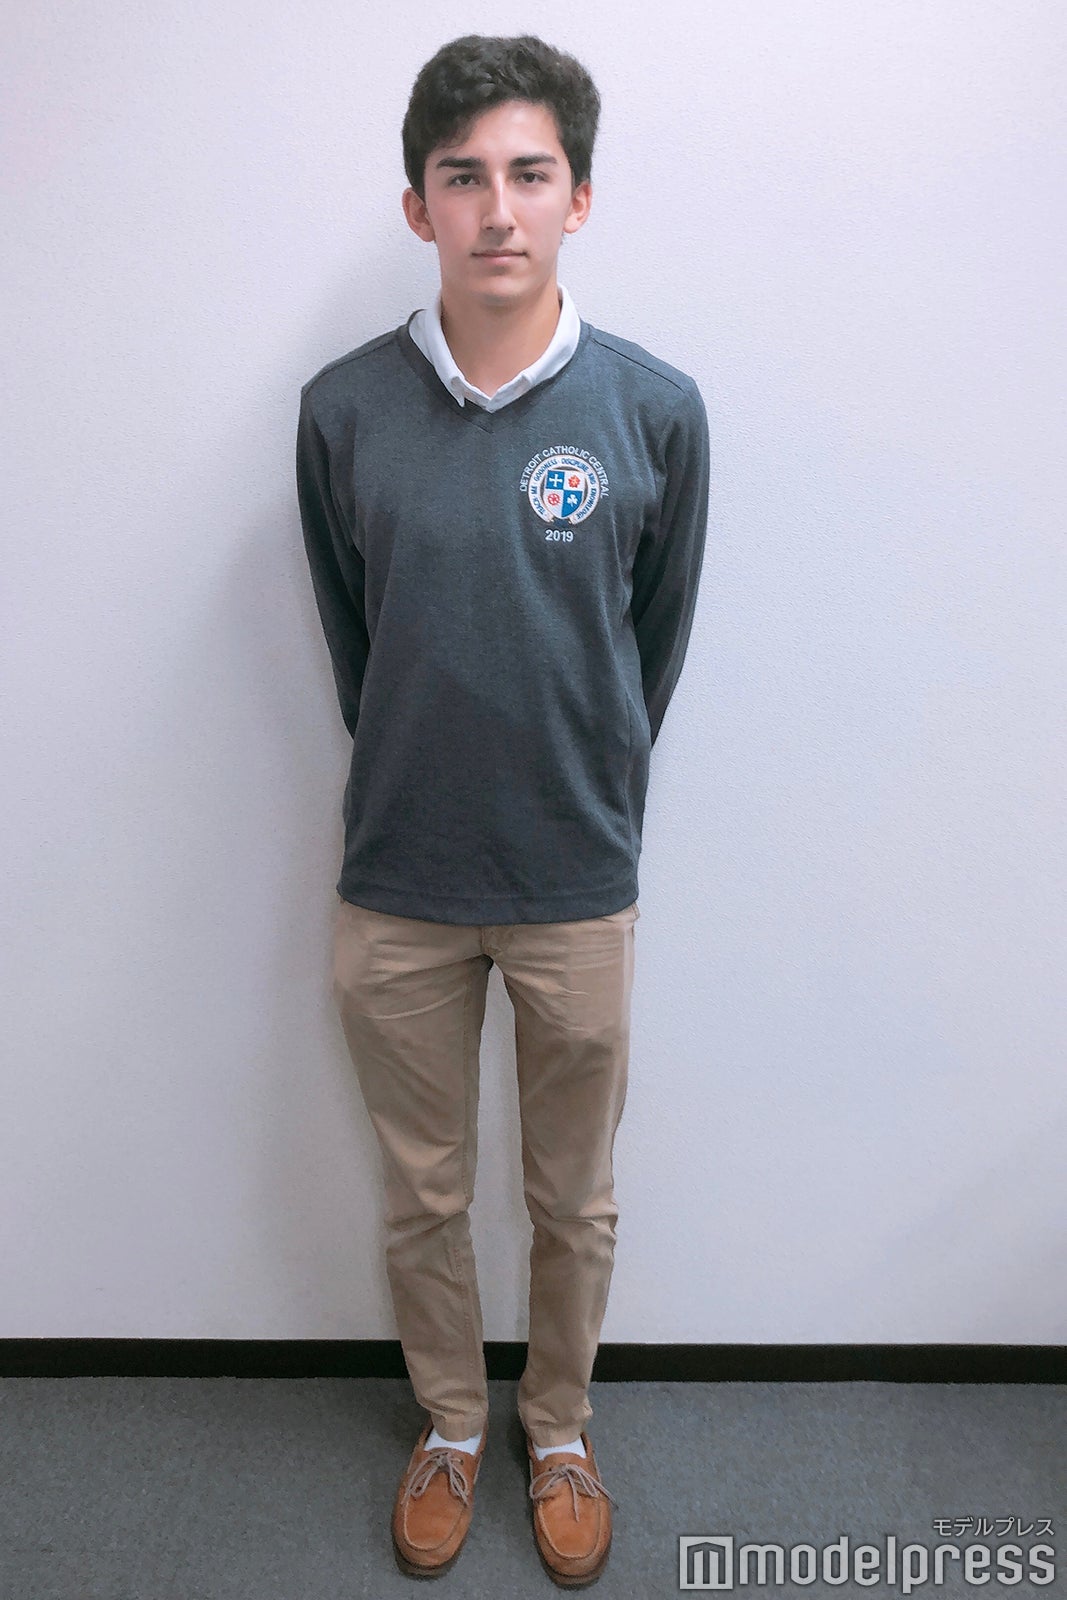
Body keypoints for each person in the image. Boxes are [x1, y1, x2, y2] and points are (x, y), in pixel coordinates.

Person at [295, 32, 710, 1587]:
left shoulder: (653, 412)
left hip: (574, 881)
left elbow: (648, 647)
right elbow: (359, 639)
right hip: (400, 877)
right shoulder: (343, 411)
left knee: (571, 1200)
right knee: (423, 1191)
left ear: (578, 198)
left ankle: (563, 1429)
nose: (497, 208)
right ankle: (454, 1427)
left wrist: (583, 771)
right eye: (462, 177)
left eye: (530, 173)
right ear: (419, 206)